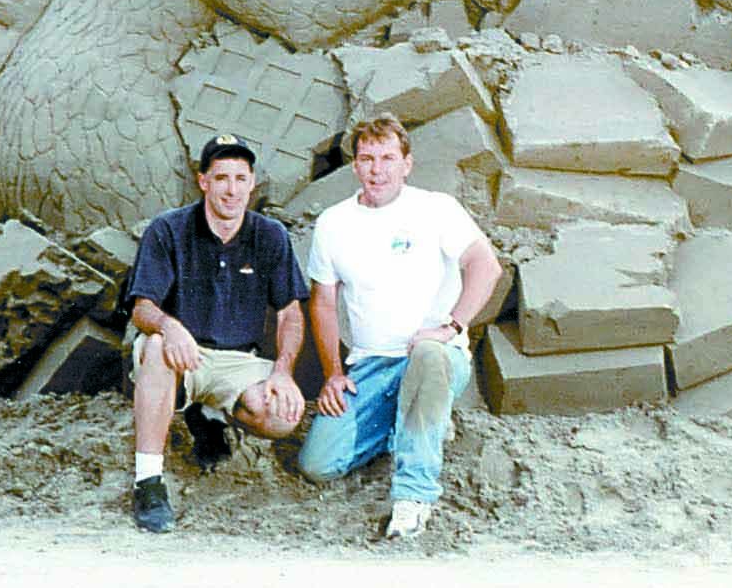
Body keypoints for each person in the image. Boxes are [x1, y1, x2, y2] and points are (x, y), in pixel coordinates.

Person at [297, 112, 503, 539]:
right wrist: (334, 372)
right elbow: (323, 301)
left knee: (427, 356)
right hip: (371, 365)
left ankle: (413, 498)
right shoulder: (334, 223)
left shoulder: (435, 209)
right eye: (368, 159)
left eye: (388, 158)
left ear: (407, 163)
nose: (378, 170)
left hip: (432, 357)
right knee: (317, 465)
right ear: (355, 165)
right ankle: (415, 421)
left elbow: (485, 265)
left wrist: (451, 327)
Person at [123, 133, 309, 533]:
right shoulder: (168, 230)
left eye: (241, 179)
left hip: (238, 359)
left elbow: (291, 314)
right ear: (203, 181)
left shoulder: (270, 235)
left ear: (252, 183)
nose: (232, 189)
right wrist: (170, 326)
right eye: (221, 178)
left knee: (280, 417)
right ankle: (148, 483)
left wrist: (282, 371)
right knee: (156, 348)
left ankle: (210, 417)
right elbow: (142, 308)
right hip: (183, 355)